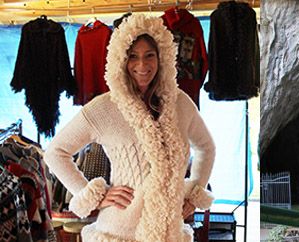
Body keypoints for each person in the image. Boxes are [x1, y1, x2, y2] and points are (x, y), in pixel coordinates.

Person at [44, 14, 215, 242]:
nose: (142, 65)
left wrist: (195, 193)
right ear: (121, 60)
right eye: (133, 56)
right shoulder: (103, 108)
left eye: (149, 55)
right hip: (117, 233)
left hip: (169, 233)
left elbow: (206, 147)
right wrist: (95, 196)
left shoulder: (180, 103)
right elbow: (55, 152)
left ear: (162, 57)